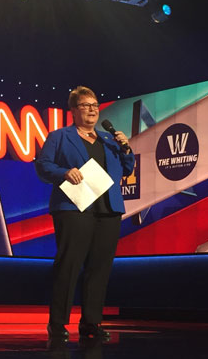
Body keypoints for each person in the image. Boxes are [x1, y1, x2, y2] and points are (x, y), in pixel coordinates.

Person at [36, 86, 135, 341]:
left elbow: (126, 169)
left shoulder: (108, 140)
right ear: (73, 110)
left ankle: (91, 323)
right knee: (68, 266)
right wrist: (64, 172)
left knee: (99, 268)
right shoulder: (59, 137)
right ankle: (57, 324)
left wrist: (126, 148)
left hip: (108, 209)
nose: (92, 110)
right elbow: (43, 166)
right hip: (74, 207)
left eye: (95, 105)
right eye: (86, 105)